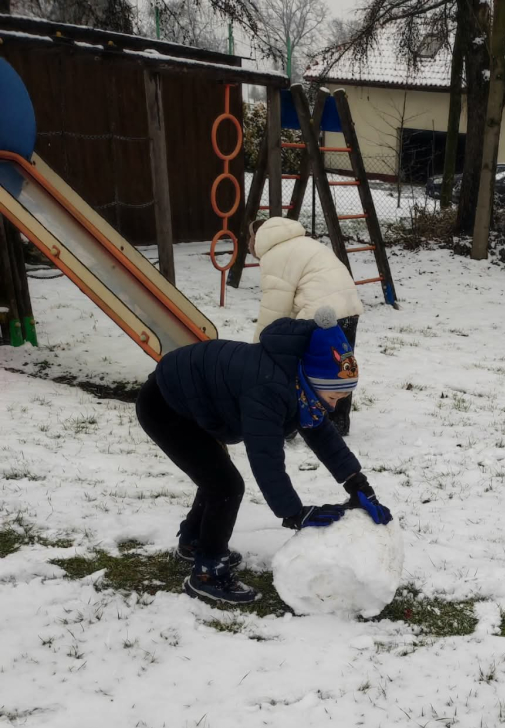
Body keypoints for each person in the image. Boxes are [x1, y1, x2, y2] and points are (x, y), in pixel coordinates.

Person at [135, 307, 391, 606]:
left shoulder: (299, 378)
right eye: (333, 398)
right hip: (165, 406)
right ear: (312, 382)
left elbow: (320, 433)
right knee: (224, 485)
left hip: (195, 402)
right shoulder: (269, 389)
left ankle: (194, 541)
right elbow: (265, 457)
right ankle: (207, 574)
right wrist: (294, 512)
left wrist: (356, 482)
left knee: (216, 478)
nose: (333, 407)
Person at [250, 215, 363, 437]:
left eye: (249, 238)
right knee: (341, 366)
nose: (248, 245)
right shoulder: (305, 243)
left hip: (318, 314)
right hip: (348, 307)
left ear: (259, 237)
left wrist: (258, 349)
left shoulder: (275, 255)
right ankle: (338, 420)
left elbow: (274, 308)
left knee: (299, 366)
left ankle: (291, 421)